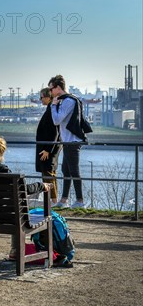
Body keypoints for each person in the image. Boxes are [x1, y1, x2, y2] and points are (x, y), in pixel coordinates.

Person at [0, 134, 51, 259]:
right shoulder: (4, 171)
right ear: (2, 153)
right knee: (19, 213)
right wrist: (41, 185)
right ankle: (16, 250)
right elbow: (24, 189)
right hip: (3, 216)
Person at [48, 75, 90, 208]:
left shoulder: (67, 101)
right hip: (67, 141)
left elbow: (56, 120)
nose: (50, 92)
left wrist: (53, 106)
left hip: (72, 142)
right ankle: (64, 200)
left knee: (74, 171)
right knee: (66, 170)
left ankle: (80, 201)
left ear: (58, 88)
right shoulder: (67, 100)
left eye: (51, 89)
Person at [36, 87, 61, 205]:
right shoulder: (51, 108)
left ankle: (53, 202)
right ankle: (53, 201)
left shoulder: (51, 110)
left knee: (48, 175)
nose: (40, 99)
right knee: (50, 174)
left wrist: (47, 149)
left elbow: (54, 132)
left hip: (47, 149)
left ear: (47, 97)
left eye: (41, 97)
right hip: (50, 148)